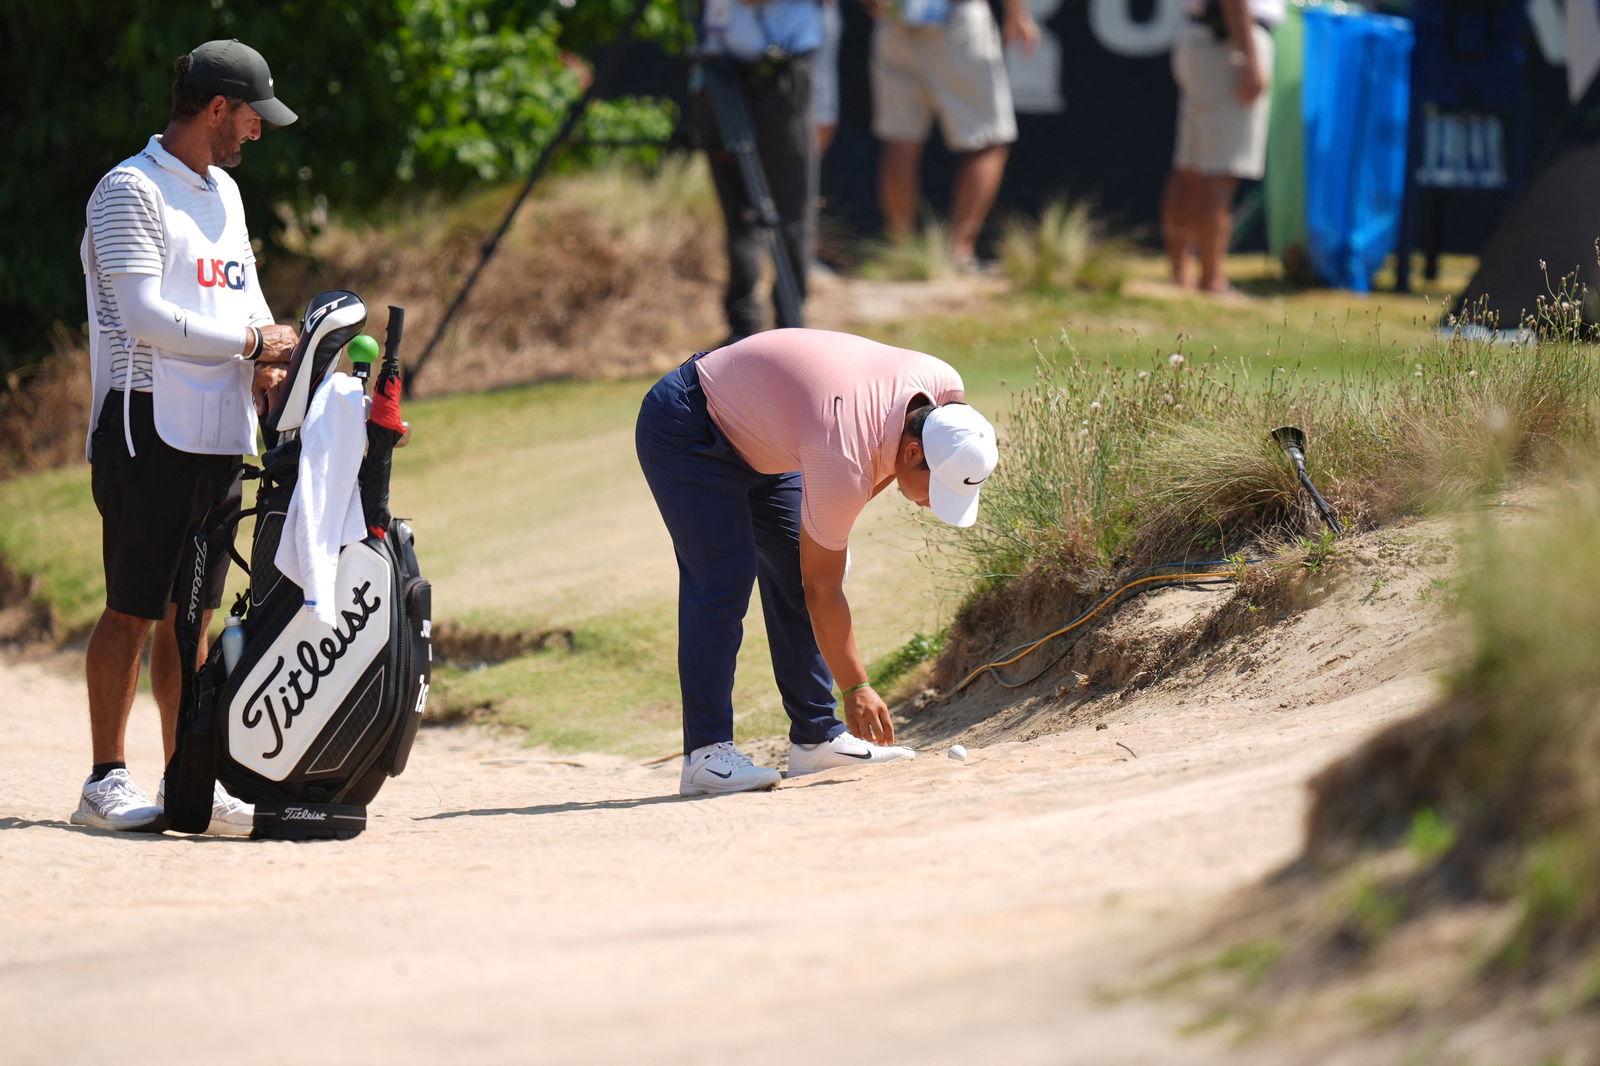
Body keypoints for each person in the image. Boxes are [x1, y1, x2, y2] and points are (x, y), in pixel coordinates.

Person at [76, 40, 300, 833]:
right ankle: (104, 781)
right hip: (144, 425)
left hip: (215, 427)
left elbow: (244, 292)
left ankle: (185, 779)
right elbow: (144, 315)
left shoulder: (225, 193)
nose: (257, 130)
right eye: (251, 116)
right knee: (132, 610)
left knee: (191, 616)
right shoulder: (129, 191)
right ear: (216, 109)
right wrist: (251, 344)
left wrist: (267, 355)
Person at [635, 328, 1000, 796]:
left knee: (795, 562)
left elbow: (867, 473)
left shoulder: (945, 394)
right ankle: (705, 755)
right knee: (724, 578)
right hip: (690, 422)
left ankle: (815, 739)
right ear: (914, 452)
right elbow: (822, 589)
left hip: (772, 434)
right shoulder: (842, 449)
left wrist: (831, 529)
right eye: (937, 490)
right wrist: (856, 688)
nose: (932, 503)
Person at [865, 0, 1040, 269]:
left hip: (896, 17)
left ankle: (903, 251)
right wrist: (1017, 13)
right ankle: (959, 254)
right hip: (955, 19)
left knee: (901, 142)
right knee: (987, 142)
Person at [693, 0, 824, 344]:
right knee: (739, 215)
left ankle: (790, 329)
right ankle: (743, 330)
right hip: (721, 74)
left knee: (791, 210)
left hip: (783, 73)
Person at [1160, 0, 1284, 294]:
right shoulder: (1240, 48)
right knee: (1219, 170)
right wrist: (1249, 57)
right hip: (1228, 44)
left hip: (1210, 39)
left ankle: (1183, 273)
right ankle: (1212, 279)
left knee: (1191, 166)